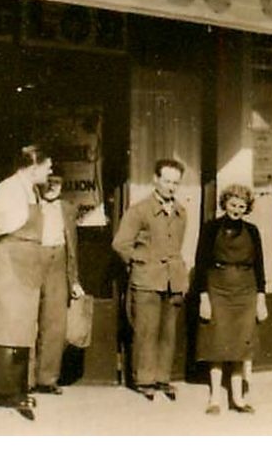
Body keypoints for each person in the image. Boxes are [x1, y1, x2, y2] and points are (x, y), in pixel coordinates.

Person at [0, 145, 55, 420]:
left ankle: (19, 387)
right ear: (33, 167)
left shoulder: (31, 190)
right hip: (7, 265)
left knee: (22, 327)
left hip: (27, 267)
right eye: (47, 166)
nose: (51, 170)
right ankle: (3, 392)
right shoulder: (7, 190)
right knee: (6, 326)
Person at [113, 158, 189, 401]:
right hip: (147, 280)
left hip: (172, 280)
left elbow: (176, 245)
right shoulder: (139, 210)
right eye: (166, 181)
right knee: (146, 331)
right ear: (155, 179)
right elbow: (120, 244)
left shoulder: (180, 212)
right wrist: (141, 261)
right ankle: (144, 380)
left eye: (175, 182)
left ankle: (162, 378)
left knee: (168, 332)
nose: (171, 187)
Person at [193, 184, 267, 414]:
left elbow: (260, 267)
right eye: (233, 204)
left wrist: (261, 299)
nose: (236, 210)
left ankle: (238, 399)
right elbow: (201, 263)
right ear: (225, 203)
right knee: (217, 342)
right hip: (218, 288)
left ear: (247, 209)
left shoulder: (252, 231)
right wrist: (203, 297)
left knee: (241, 345)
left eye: (242, 206)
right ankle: (215, 398)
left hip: (246, 290)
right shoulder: (210, 228)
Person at [30, 174, 83, 396]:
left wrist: (74, 280)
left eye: (58, 182)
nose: (52, 187)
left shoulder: (68, 208)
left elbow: (73, 247)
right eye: (48, 182)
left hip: (58, 261)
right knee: (30, 319)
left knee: (55, 322)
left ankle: (47, 378)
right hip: (33, 259)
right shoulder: (31, 206)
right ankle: (26, 380)